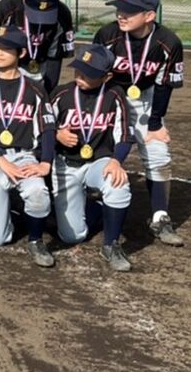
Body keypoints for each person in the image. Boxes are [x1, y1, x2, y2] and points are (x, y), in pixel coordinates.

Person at [92, 0, 186, 247]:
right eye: (120, 9)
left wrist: (155, 124)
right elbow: (93, 73)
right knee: (100, 148)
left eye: (130, 12)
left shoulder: (168, 42)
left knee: (158, 153)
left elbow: (165, 85)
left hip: (146, 100)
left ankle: (159, 216)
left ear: (149, 16)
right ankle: (94, 199)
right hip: (110, 97)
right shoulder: (108, 34)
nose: (121, 15)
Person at [0, 25, 58, 268]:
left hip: (24, 156)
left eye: (6, 48)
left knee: (38, 192)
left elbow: (47, 129)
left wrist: (45, 163)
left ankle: (36, 239)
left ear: (21, 53)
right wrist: (0, 160)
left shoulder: (35, 89)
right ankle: (16, 211)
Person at [51, 43, 134, 272]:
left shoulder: (115, 95)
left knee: (118, 183)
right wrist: (57, 134)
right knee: (72, 236)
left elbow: (125, 136)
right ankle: (94, 206)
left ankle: (111, 244)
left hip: (99, 161)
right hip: (66, 164)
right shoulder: (61, 94)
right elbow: (41, 128)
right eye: (78, 70)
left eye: (89, 74)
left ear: (107, 76)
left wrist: (116, 161)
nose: (80, 76)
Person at [0, 0, 74, 92]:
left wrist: (47, 93)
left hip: (42, 64)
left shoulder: (62, 14)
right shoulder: (7, 8)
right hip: (9, 62)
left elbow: (55, 58)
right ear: (25, 1)